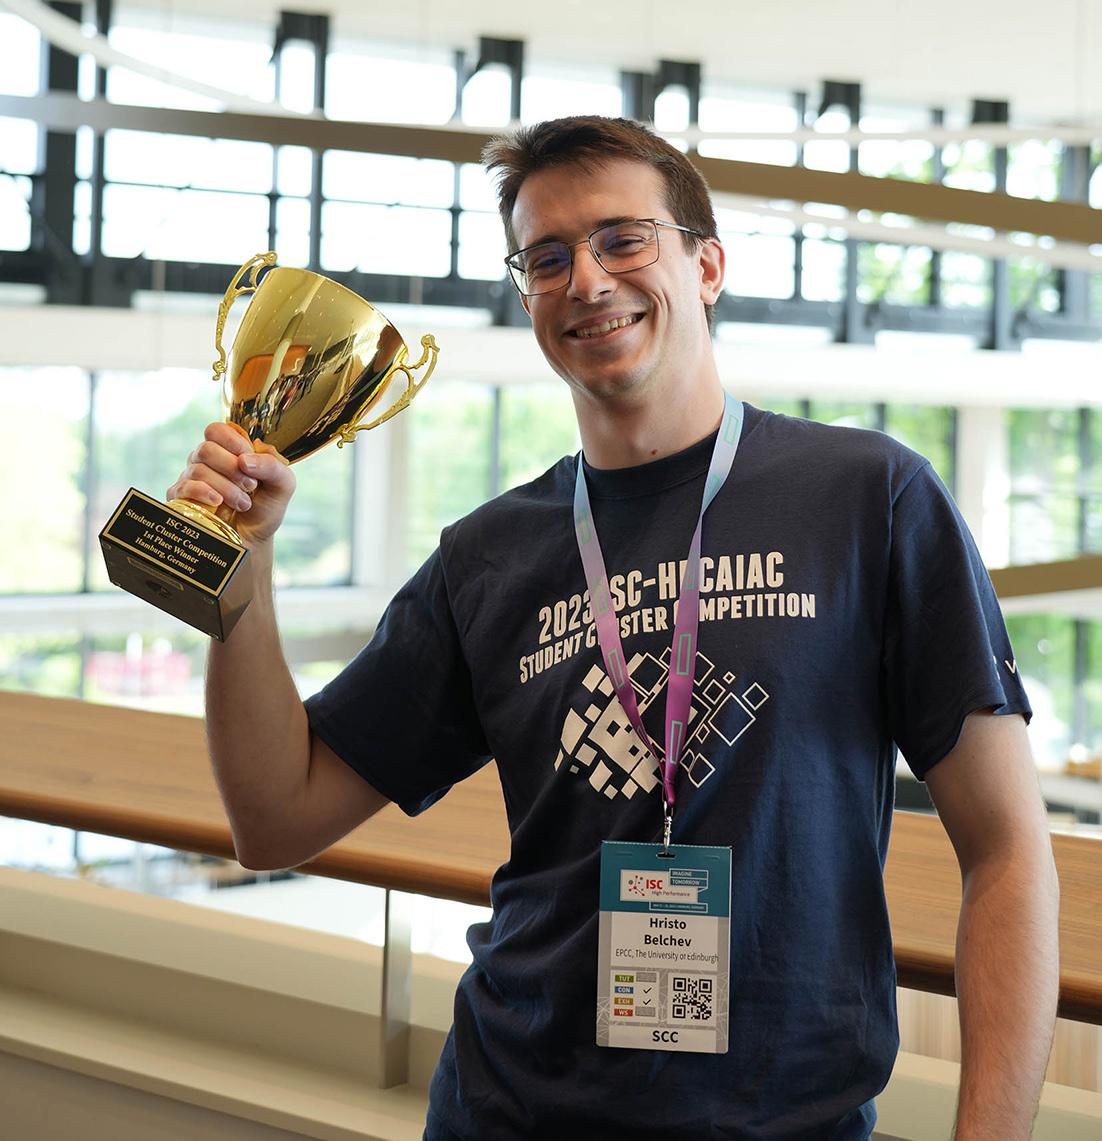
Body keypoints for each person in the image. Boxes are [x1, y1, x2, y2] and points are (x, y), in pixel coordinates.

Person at [169, 116, 1060, 1140]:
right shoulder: (488, 554)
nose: (585, 278)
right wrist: (241, 569)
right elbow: (277, 816)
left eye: (622, 239)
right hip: (508, 1109)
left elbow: (1005, 849)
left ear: (707, 263)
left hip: (786, 1121)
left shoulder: (869, 496)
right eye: (546, 257)